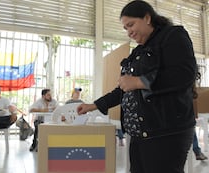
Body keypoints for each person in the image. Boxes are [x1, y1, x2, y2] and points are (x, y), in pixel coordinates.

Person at [77, 1, 197, 173]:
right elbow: (123, 89)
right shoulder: (138, 51)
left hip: (165, 132)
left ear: (147, 18)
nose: (129, 32)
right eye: (125, 28)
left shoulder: (173, 35)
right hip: (140, 133)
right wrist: (93, 105)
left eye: (131, 24)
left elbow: (184, 74)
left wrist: (140, 81)